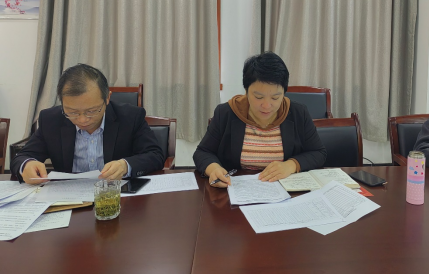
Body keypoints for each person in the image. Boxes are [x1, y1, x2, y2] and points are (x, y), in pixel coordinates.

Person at [12, 64, 165, 184]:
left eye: (92, 111)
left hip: (116, 196)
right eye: (72, 112)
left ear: (107, 98)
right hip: (68, 199)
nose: (82, 120)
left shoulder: (130, 117)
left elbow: (155, 155)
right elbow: (22, 157)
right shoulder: (51, 120)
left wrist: (125, 165)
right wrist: (26, 165)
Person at [194, 52, 327, 188]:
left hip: (285, 191)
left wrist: (291, 165)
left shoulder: (298, 113)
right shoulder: (226, 113)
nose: (266, 105)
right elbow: (202, 152)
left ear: (284, 93)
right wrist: (214, 169)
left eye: (275, 98)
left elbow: (318, 153)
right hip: (236, 190)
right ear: (246, 91)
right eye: (258, 97)